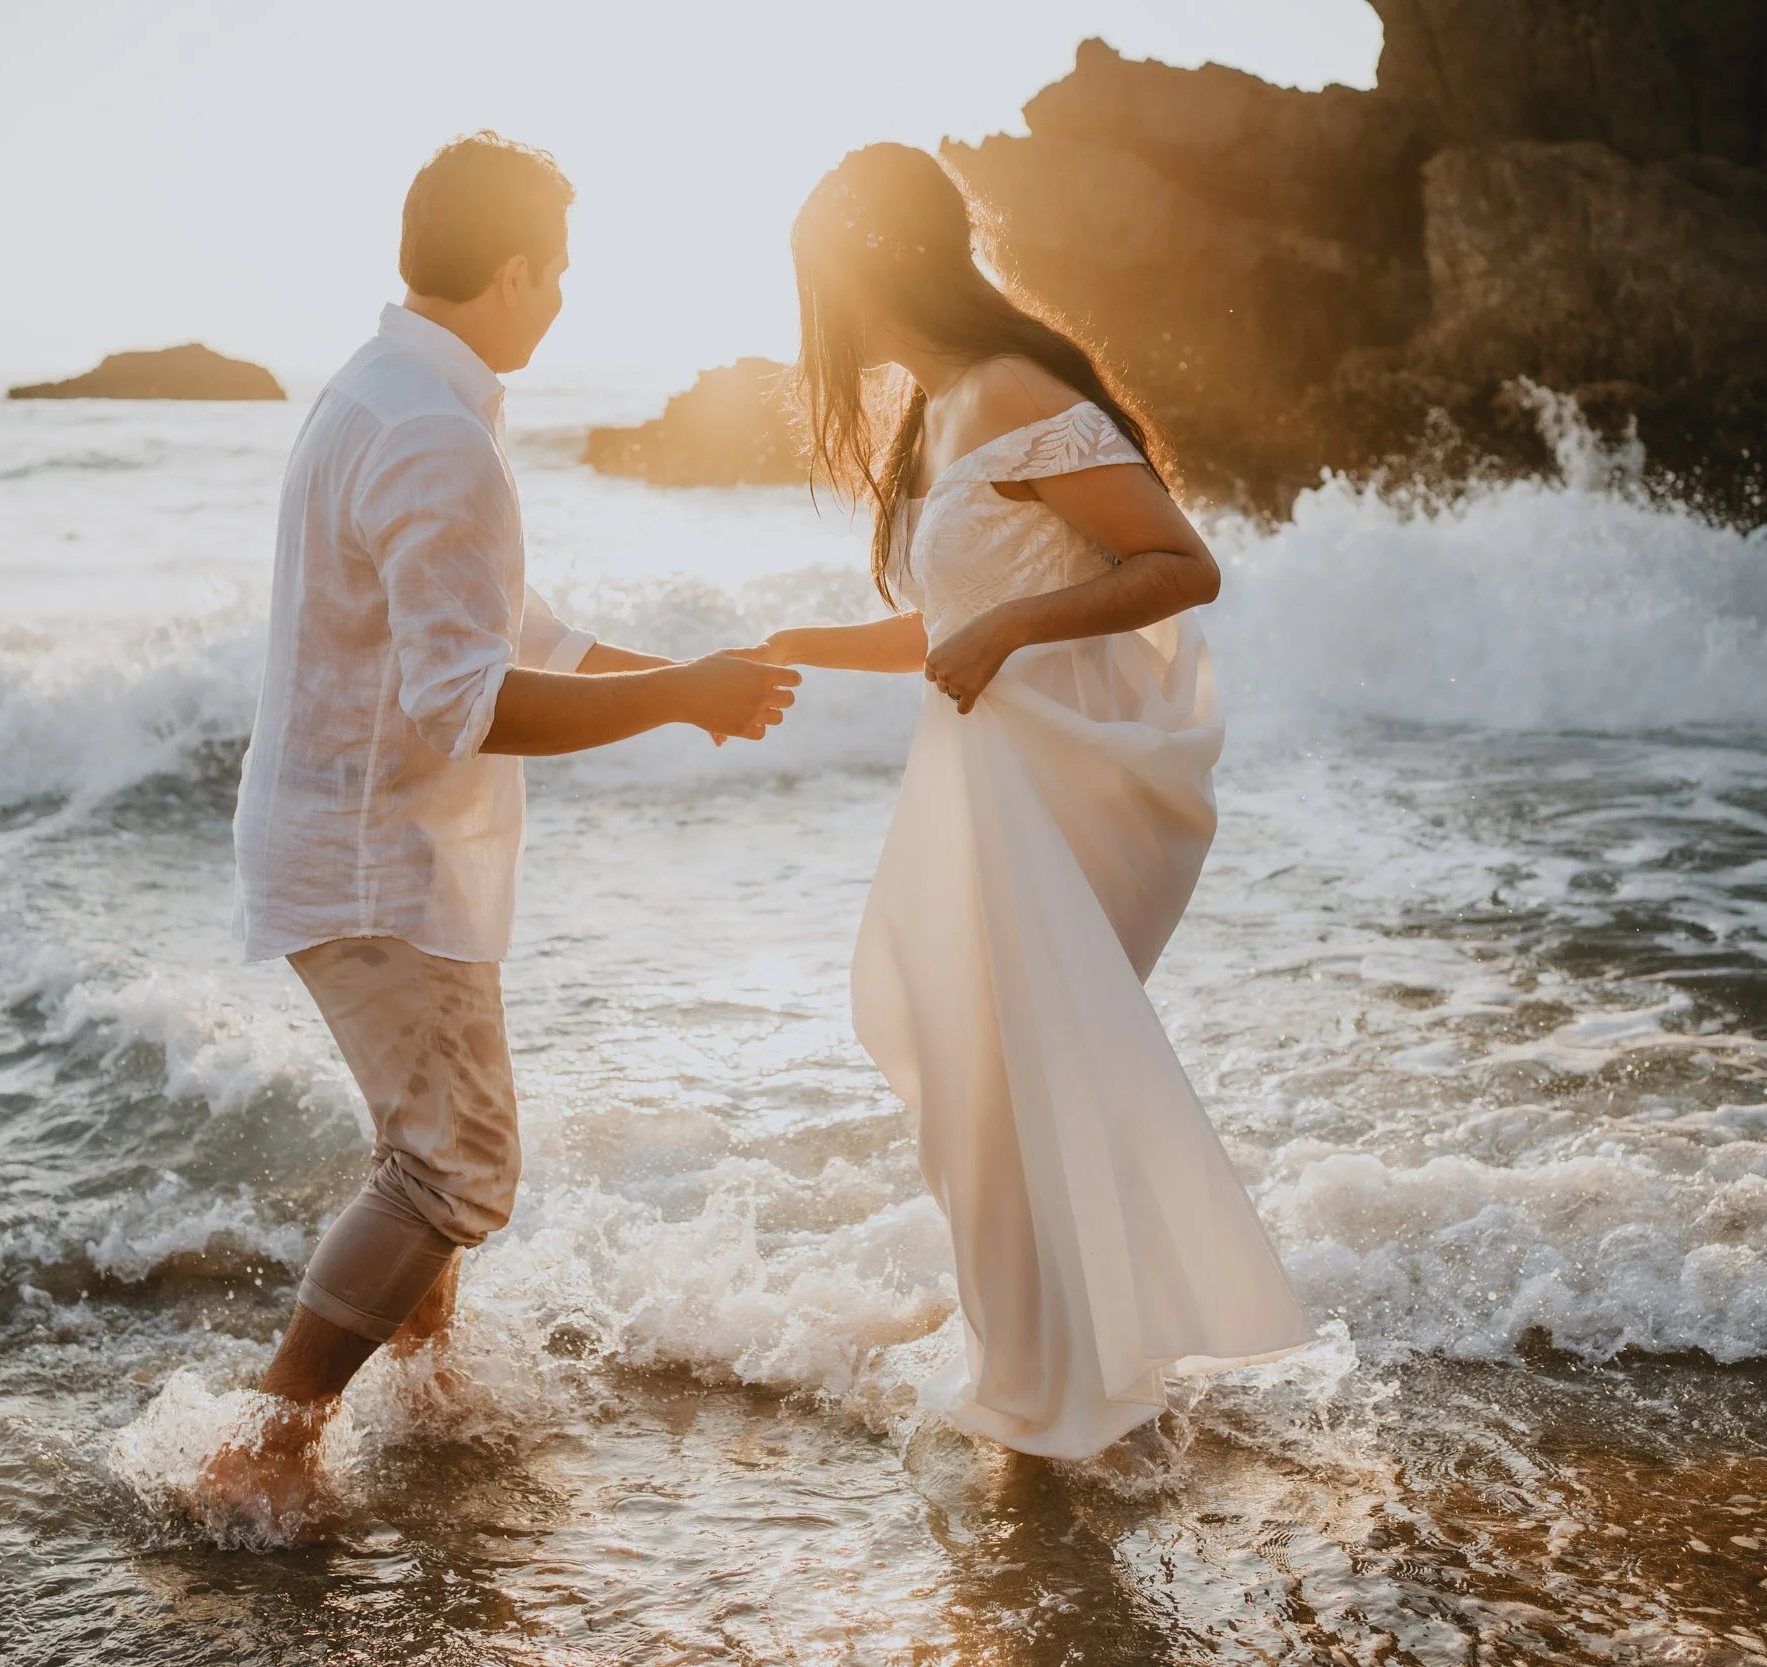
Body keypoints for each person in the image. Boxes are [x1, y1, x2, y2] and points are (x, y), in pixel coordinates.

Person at [201, 132, 800, 1524]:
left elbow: (512, 631)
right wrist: (676, 697)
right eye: (562, 271)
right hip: (375, 864)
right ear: (515, 269)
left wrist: (684, 687)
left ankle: (433, 1393)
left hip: (353, 846)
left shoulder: (389, 392)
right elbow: (467, 701)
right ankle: (272, 1441)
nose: (566, 298)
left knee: (430, 1149)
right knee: (457, 1160)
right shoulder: (430, 428)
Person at [749, 144, 1310, 1459]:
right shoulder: (942, 407)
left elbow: (1179, 562)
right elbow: (954, 619)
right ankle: (1047, 1389)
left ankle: (1059, 1404)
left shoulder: (1011, 386)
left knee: (1005, 1087)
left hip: (1053, 800)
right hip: (989, 792)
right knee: (980, 1093)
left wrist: (1007, 636)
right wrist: (796, 643)